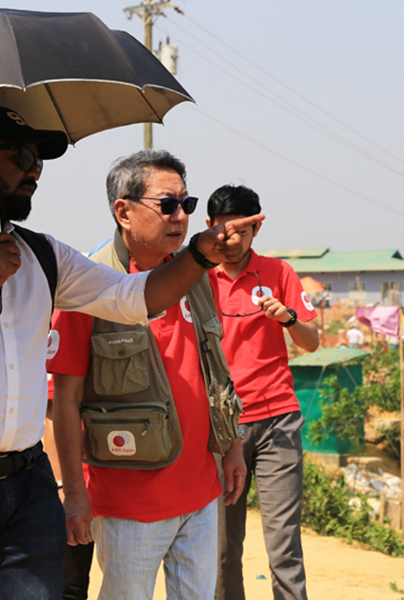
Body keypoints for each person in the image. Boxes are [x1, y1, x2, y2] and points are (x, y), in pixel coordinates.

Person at [0, 106, 261, 600]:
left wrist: (197, 255)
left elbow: (133, 297)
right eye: (22, 156)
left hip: (26, 486)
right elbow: (65, 398)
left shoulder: (45, 257)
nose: (35, 170)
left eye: (40, 159)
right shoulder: (1, 261)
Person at [47, 150, 247, 600]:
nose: (181, 217)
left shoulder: (197, 275)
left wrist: (232, 446)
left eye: (186, 204)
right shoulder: (88, 286)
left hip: (200, 492)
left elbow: (217, 369)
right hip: (128, 507)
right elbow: (63, 402)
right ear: (124, 210)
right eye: (167, 204)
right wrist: (73, 494)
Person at [207, 184, 320, 600]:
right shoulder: (197, 279)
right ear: (208, 227)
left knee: (284, 548)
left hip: (277, 423)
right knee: (220, 551)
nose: (229, 240)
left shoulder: (279, 273)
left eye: (239, 231)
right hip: (220, 427)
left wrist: (288, 318)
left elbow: (311, 342)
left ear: (257, 227)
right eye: (222, 230)